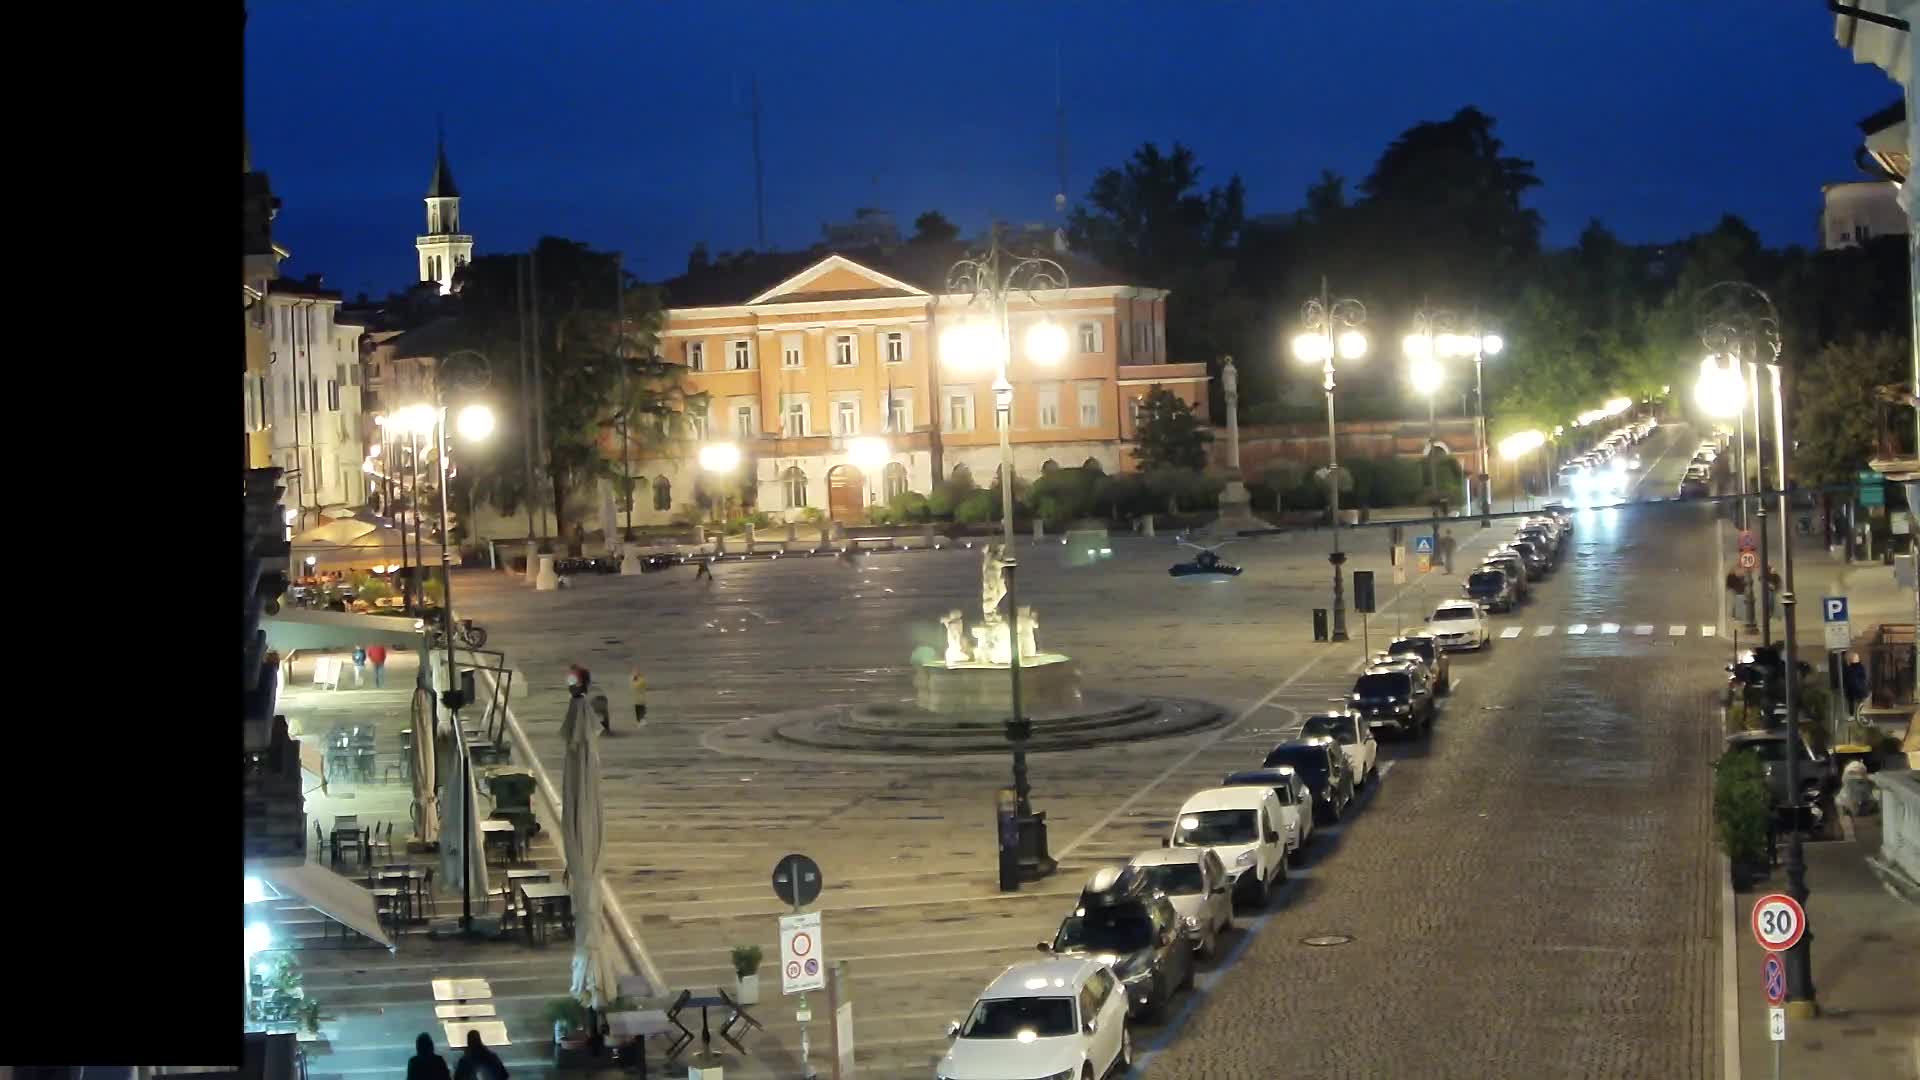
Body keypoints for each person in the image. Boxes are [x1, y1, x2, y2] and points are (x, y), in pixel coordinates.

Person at [1844, 652, 1870, 719]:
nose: (1854, 659)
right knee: (1852, 702)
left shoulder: (1860, 667)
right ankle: (1853, 715)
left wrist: (1860, 685)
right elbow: (1846, 677)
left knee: (1859, 702)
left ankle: (1859, 715)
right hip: (1851, 688)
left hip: (1858, 688)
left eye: (1855, 658)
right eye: (1853, 658)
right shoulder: (1849, 667)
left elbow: (1863, 677)